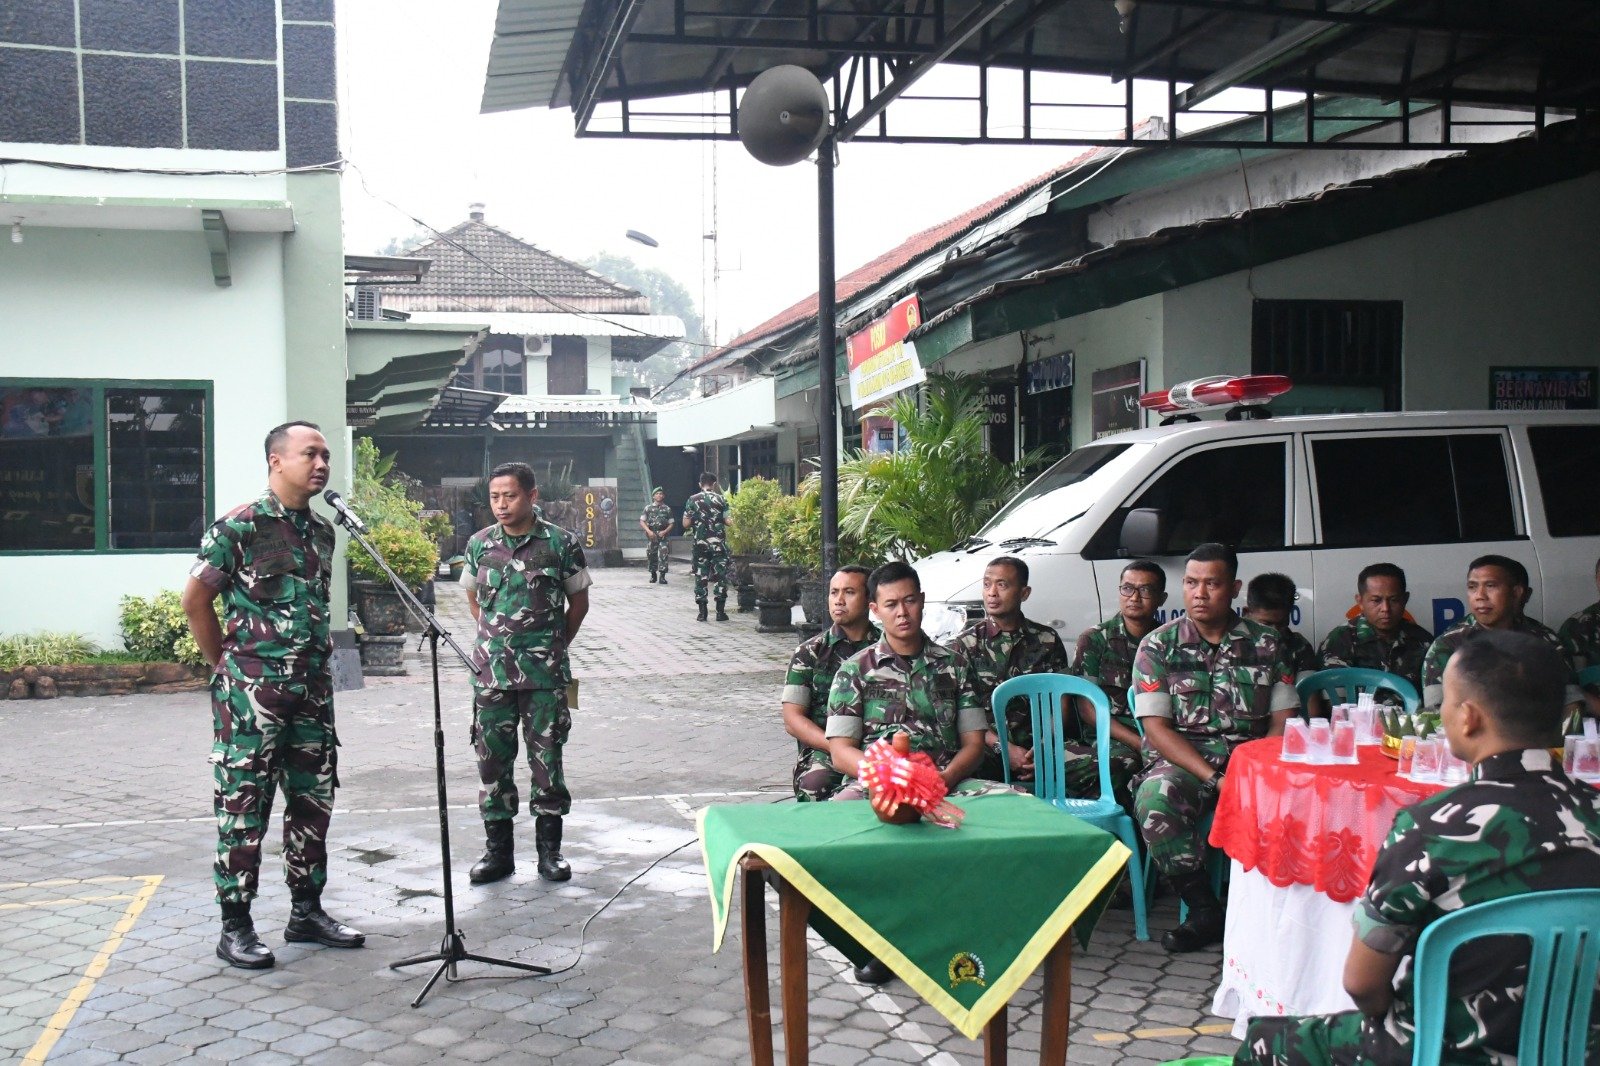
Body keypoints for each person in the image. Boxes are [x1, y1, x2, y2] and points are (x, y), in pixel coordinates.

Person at [1234, 630, 1600, 1066]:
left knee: (1261, 1040)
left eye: (1445, 701)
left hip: (1446, 1049)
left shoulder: (1430, 827)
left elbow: (1363, 984)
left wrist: (1391, 1024)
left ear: (1468, 717)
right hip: (1583, 1047)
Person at [181, 421, 363, 970]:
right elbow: (195, 602)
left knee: (313, 801)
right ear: (276, 461)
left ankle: (306, 912)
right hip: (252, 696)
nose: (322, 464)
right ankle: (235, 925)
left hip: (311, 691)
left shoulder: (323, 532)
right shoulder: (239, 527)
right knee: (244, 809)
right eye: (310, 454)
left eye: (327, 456)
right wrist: (228, 669)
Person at [824, 560, 988, 986]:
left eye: (910, 601)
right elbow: (841, 750)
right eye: (892, 604)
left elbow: (973, 744)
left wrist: (940, 781)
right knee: (835, 833)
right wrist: (884, 778)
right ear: (875, 610)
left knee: (1014, 809)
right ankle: (880, 942)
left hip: (949, 780)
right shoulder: (855, 670)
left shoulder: (953, 664)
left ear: (922, 602)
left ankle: (994, 928)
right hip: (877, 785)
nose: (903, 612)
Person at [1132, 542, 1300, 953]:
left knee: (1302, 796)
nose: (1199, 593)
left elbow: (1284, 721)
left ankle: (1284, 912)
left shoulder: (1267, 644)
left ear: (1235, 588)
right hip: (1184, 760)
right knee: (1156, 798)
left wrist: (1257, 769)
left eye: (1211, 583)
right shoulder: (1158, 646)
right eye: (1191, 583)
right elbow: (1156, 728)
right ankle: (1205, 910)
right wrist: (1217, 779)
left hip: (1252, 757)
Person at [461, 461, 592, 885]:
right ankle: (498, 854)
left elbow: (579, 605)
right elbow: (473, 599)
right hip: (491, 677)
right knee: (492, 765)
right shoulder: (480, 544)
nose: (501, 504)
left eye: (510, 495)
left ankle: (549, 854)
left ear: (532, 496)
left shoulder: (561, 543)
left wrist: (550, 647)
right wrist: (497, 643)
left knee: (547, 764)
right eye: (495, 497)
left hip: (544, 677)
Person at [951, 556, 1072, 785]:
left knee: (1114, 761)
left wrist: (1045, 747)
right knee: (962, 765)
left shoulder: (1047, 639)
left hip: (1041, 746)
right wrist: (1003, 748)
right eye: (987, 584)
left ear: (1024, 593)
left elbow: (1061, 703)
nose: (992, 593)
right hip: (990, 748)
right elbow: (962, 714)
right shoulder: (964, 645)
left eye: (1002, 585)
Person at [1419, 554, 1579, 713]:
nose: (1480, 596)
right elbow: (1437, 713)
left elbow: (1571, 705)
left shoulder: (1544, 640)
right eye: (1472, 587)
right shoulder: (1448, 645)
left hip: (1537, 734)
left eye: (1490, 586)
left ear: (1517, 593)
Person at [780, 565, 877, 802]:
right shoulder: (810, 652)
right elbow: (793, 719)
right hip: (826, 749)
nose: (839, 600)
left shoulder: (887, 649)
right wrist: (838, 749)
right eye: (834, 592)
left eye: (850, 592)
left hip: (877, 746)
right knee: (815, 784)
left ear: (869, 600)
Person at [1072, 560, 1163, 807]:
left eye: (1145, 590)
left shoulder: (1167, 640)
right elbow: (1088, 710)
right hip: (1110, 736)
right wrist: (1139, 742)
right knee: (1125, 764)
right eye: (1127, 588)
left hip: (1160, 733)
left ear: (1161, 599)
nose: (1134, 597)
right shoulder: (1095, 639)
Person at [1315, 563, 1434, 705]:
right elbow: (1336, 705)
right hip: (1357, 724)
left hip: (1409, 724)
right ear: (1360, 601)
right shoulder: (1342, 639)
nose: (1385, 609)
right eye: (1376, 600)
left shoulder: (1422, 641)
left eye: (1394, 600)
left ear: (1405, 599)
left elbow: (1433, 700)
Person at [1242, 573, 1318, 684]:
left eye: (1281, 624)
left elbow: (1310, 695)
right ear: (1246, 613)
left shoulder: (1299, 646)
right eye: (1266, 624)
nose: (1274, 632)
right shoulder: (1229, 645)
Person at [682, 472, 731, 622]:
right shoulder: (722, 499)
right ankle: (720, 613)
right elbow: (728, 521)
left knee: (701, 575)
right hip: (718, 545)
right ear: (714, 484)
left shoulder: (692, 499)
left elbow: (685, 524)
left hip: (700, 545)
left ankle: (702, 613)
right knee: (720, 576)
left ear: (700, 484)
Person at [638, 487, 674, 584]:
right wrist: (648, 531)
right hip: (652, 536)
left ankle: (662, 576)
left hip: (663, 536)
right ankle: (653, 574)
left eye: (661, 494)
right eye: (657, 493)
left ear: (663, 496)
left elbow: (671, 523)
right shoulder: (648, 508)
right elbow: (642, 521)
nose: (659, 495)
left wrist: (665, 531)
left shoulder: (667, 509)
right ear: (653, 496)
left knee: (663, 555)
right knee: (651, 554)